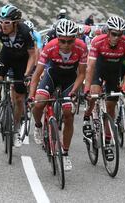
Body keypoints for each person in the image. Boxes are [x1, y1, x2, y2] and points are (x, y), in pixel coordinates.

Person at [29, 20, 87, 171]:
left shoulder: (81, 47)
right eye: (62, 41)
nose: (66, 45)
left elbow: (81, 74)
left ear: (75, 39)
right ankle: (38, 125)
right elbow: (37, 74)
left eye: (70, 41)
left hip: (70, 80)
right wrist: (31, 95)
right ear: (57, 38)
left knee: (69, 113)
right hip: (52, 76)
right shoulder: (50, 47)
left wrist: (74, 91)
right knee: (39, 104)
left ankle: (65, 153)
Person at [83, 16, 125, 161]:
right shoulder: (97, 41)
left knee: (110, 108)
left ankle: (108, 142)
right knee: (94, 93)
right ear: (108, 31)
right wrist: (86, 89)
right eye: (113, 34)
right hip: (99, 68)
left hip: (113, 71)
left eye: (120, 34)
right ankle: (87, 117)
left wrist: (124, 87)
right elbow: (90, 66)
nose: (116, 37)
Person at [0, 4, 35, 148]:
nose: (3, 25)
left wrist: (27, 75)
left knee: (19, 99)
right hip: (6, 57)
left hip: (22, 61)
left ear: (15, 22)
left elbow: (33, 55)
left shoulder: (25, 31)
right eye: (1, 21)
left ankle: (16, 129)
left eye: (6, 22)